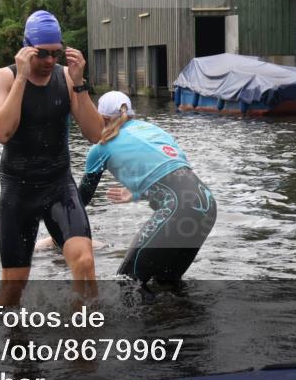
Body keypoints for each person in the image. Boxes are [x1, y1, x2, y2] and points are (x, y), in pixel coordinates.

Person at [0, 10, 104, 306]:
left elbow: (95, 134)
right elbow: (2, 132)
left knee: (85, 264)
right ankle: (9, 343)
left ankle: (82, 345)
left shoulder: (66, 78)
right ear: (26, 49)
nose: (50, 61)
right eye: (42, 54)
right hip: (18, 192)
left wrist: (79, 84)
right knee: (13, 290)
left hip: (58, 186)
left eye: (56, 53)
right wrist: (22, 78)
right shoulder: (3, 78)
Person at [79, 91, 217, 285]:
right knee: (168, 283)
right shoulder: (152, 129)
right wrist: (137, 193)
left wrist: (53, 217)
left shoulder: (101, 147)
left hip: (178, 208)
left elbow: (81, 200)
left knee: (127, 282)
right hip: (208, 205)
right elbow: (174, 174)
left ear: (101, 118)